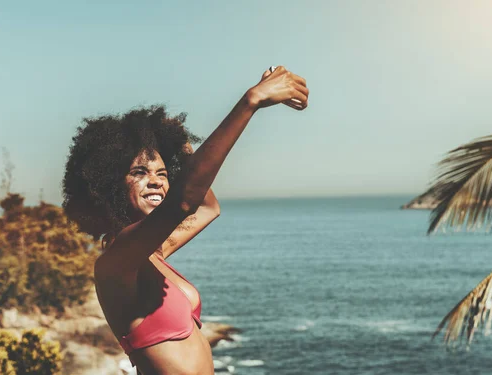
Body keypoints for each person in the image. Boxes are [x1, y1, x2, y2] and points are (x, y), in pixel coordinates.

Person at [62, 66, 309, 375]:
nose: (156, 182)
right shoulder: (116, 263)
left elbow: (208, 207)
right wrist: (250, 101)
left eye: (163, 174)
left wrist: (175, 141)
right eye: (139, 172)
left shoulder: (155, 253)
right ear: (109, 182)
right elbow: (185, 202)